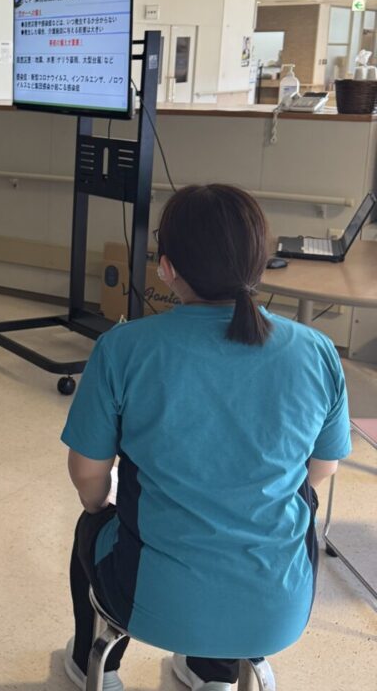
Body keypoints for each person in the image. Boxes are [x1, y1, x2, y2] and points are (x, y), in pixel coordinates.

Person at [62, 184, 350, 691]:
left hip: (150, 602)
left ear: (167, 268)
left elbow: (87, 473)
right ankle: (212, 671)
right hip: (278, 612)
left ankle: (98, 664)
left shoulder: (123, 348)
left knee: (94, 524)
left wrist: (100, 505)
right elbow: (320, 472)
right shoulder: (317, 351)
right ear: (260, 265)